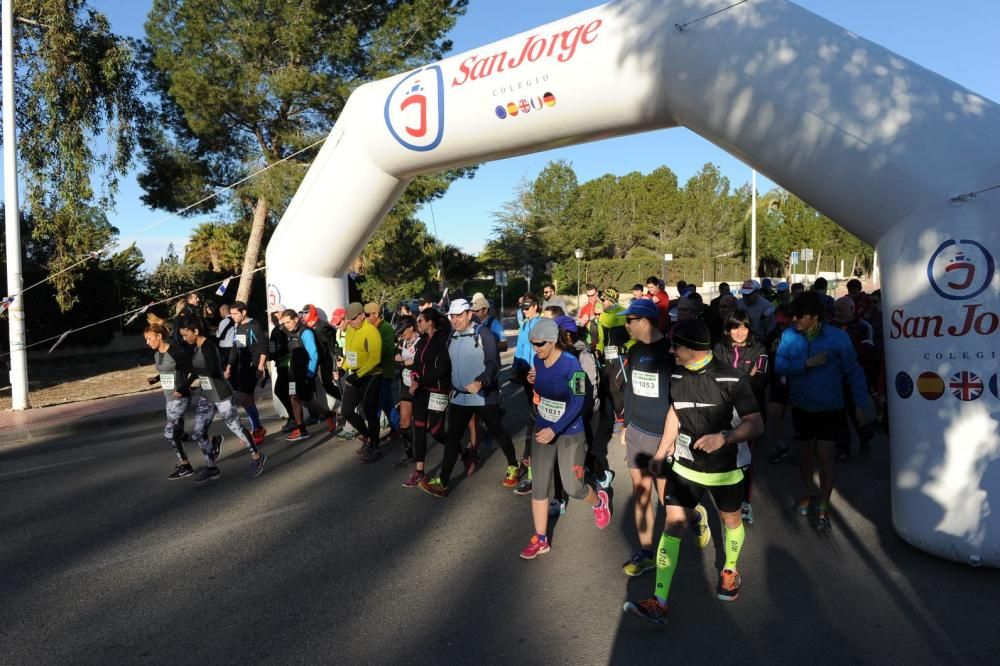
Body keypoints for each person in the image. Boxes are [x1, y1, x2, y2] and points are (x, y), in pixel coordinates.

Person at [623, 319, 764, 624]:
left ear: (694, 348)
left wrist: (724, 437)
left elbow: (756, 423)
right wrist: (661, 452)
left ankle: (729, 570)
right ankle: (659, 600)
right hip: (685, 466)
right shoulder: (675, 373)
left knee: (731, 520)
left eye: (676, 345)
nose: (671, 350)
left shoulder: (733, 379)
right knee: (672, 525)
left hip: (726, 469)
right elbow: (676, 411)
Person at [775, 290, 871, 531]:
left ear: (815, 316)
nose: (794, 320)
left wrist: (860, 404)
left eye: (800, 316)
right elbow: (779, 366)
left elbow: (854, 371)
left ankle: (824, 505)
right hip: (801, 406)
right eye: (793, 316)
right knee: (805, 453)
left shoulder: (838, 338)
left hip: (831, 407)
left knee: (826, 455)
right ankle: (808, 492)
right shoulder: (789, 335)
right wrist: (805, 363)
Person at [517, 317, 611, 559]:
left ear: (551, 341)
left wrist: (556, 429)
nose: (535, 348)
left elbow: (578, 402)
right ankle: (540, 538)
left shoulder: (572, 366)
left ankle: (599, 500)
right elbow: (542, 390)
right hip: (543, 428)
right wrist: (533, 382)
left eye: (539, 344)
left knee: (573, 487)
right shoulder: (538, 360)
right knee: (539, 484)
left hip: (570, 431)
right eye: (532, 344)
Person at [419, 299, 521, 497]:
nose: (455, 320)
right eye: (451, 317)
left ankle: (513, 465)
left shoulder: (483, 334)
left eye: (458, 316)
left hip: (483, 395)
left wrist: (481, 381)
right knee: (453, 440)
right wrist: (448, 387)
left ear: (468, 314)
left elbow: (494, 364)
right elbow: (449, 366)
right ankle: (443, 482)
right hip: (460, 397)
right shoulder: (451, 336)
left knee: (498, 431)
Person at [619, 298, 674, 577]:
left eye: (629, 320)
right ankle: (647, 553)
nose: (626, 325)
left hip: (662, 438)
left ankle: (693, 517)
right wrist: (626, 424)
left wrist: (673, 438)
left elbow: (678, 399)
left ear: (643, 321)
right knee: (641, 495)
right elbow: (630, 389)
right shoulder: (635, 349)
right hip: (637, 433)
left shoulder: (670, 352)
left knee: (667, 501)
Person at [177, 316, 267, 481]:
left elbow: (211, 370)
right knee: (198, 432)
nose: (184, 338)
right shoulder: (196, 347)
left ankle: (257, 456)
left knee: (236, 427)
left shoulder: (208, 347)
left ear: (195, 332)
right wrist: (184, 386)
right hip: (207, 395)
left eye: (185, 334)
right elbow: (197, 371)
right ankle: (211, 467)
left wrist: (188, 366)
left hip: (221, 394)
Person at [713, 310, 769, 524]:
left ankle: (745, 502)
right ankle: (727, 499)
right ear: (727, 330)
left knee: (745, 461)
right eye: (735, 327)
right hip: (723, 412)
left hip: (750, 414)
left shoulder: (760, 349)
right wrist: (746, 377)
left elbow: (760, 382)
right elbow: (713, 378)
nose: (740, 332)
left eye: (744, 327)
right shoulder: (719, 348)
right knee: (724, 457)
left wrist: (732, 379)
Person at [144, 314, 201, 480]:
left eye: (149, 339)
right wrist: (156, 378)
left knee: (169, 433)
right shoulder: (156, 355)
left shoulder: (175, 351)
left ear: (159, 336)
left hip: (180, 398)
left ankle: (185, 465)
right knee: (180, 434)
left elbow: (194, 370)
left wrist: (183, 388)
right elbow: (166, 371)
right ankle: (210, 441)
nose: (147, 342)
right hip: (169, 399)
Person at [401, 307, 453, 488]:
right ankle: (419, 471)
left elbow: (442, 369)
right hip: (421, 390)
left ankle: (459, 450)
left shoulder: (442, 341)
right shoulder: (422, 341)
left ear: (430, 322)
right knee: (419, 429)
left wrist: (420, 380)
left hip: (437, 390)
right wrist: (415, 378)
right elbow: (416, 364)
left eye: (421, 321)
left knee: (436, 431)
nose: (418, 324)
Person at [277, 309, 337, 442]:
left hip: (305, 373)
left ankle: (327, 415)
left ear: (296, 319)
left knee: (305, 399)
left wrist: (309, 376)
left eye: (288, 322)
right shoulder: (288, 332)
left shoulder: (306, 332)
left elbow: (314, 355)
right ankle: (302, 429)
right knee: (294, 397)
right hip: (293, 373)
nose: (286, 325)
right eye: (284, 323)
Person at [831, 295, 877, 459]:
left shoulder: (864, 326)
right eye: (835, 310)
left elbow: (869, 352)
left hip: (857, 376)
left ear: (852, 309)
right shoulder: (831, 326)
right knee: (839, 414)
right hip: (835, 378)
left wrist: (845, 349)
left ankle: (865, 438)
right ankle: (843, 448)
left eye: (840, 310)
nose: (837, 313)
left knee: (856, 411)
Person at [339, 302, 383, 461]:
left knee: (370, 412)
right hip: (356, 373)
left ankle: (375, 447)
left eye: (352, 319)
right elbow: (349, 353)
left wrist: (357, 376)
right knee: (346, 411)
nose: (349, 322)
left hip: (371, 375)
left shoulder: (371, 331)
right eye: (348, 319)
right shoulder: (350, 329)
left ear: (362, 316)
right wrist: (343, 368)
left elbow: (375, 359)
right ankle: (368, 437)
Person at [225, 301, 269, 445]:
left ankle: (257, 429)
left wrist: (260, 367)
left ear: (243, 312)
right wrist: (229, 367)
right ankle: (257, 428)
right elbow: (234, 348)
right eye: (231, 314)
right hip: (241, 368)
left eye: (235, 313)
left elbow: (264, 348)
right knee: (248, 399)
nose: (233, 317)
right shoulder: (237, 326)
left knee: (244, 398)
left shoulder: (254, 326)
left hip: (253, 367)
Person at [511, 294, 542, 493]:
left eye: (528, 307)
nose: (525, 310)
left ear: (536, 306)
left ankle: (534, 464)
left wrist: (539, 369)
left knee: (536, 419)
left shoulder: (541, 323)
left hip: (538, 374)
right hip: (525, 374)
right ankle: (529, 459)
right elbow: (520, 348)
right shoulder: (524, 324)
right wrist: (515, 367)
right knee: (533, 415)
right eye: (523, 307)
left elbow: (544, 348)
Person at [366, 303, 401, 440]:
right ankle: (399, 428)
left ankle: (371, 440)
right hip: (374, 373)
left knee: (376, 407)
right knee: (388, 405)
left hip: (384, 373)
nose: (366, 317)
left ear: (376, 314)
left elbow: (386, 351)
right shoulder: (370, 327)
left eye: (368, 315)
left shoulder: (385, 328)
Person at [595, 287, 628, 433]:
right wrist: (598, 350)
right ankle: (618, 416)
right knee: (609, 389)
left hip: (621, 356)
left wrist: (627, 349)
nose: (601, 302)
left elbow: (632, 335)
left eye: (603, 300)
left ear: (611, 300)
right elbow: (602, 339)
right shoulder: (603, 316)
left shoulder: (623, 313)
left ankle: (621, 420)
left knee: (616, 387)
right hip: (607, 357)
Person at [765, 304, 794, 463]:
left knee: (799, 415)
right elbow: (767, 357)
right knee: (775, 412)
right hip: (778, 380)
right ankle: (781, 446)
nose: (782, 325)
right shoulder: (772, 335)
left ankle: (804, 446)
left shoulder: (802, 334)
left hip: (797, 379)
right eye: (780, 322)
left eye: (786, 322)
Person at [393, 315, 419, 464]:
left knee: (426, 425)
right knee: (404, 421)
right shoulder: (402, 342)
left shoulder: (420, 341)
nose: (400, 334)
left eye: (403, 331)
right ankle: (410, 453)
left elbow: (420, 362)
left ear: (411, 328)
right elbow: (395, 360)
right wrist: (404, 362)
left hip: (420, 385)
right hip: (406, 384)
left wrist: (406, 362)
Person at [267, 304, 295, 432]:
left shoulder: (286, 328)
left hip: (289, 367)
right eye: (270, 314)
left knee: (291, 393)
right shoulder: (276, 330)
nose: (271, 316)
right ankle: (295, 418)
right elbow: (273, 348)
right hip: (281, 366)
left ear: (281, 313)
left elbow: (289, 346)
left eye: (274, 313)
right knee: (282, 391)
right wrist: (270, 356)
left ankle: (296, 420)